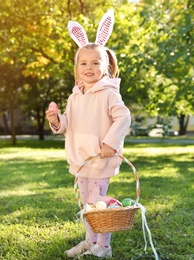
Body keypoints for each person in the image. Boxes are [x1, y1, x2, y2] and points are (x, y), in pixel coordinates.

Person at [46, 10, 131, 258]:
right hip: (80, 159)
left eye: (95, 63)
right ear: (76, 67)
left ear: (105, 66)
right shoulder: (76, 94)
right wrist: (57, 121)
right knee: (87, 205)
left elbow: (123, 117)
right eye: (83, 63)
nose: (89, 67)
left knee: (99, 205)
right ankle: (89, 240)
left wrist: (110, 143)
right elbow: (69, 124)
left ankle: (103, 247)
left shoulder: (108, 93)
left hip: (100, 157)